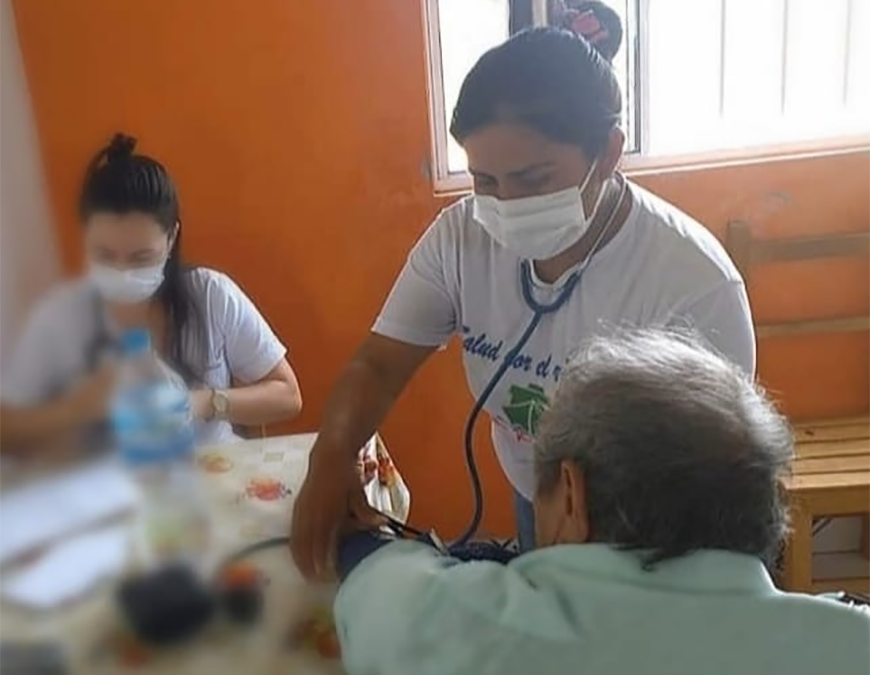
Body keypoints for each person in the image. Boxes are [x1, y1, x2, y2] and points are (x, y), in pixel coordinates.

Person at [292, 3, 755, 576]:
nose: (506, 205)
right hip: (541, 500)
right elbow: (380, 364)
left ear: (608, 154)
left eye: (534, 180)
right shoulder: (461, 239)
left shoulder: (693, 284)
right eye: (484, 180)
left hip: (658, 535)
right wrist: (331, 455)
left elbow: (712, 476)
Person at [333, 330, 870, 675]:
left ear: (571, 497)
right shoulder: (853, 641)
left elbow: (380, 582)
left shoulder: (459, 627)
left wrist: (364, 536)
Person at [0, 133, 302, 453]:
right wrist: (76, 411)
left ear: (171, 239)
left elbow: (288, 396)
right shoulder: (64, 316)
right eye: (105, 255)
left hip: (216, 465)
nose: (123, 272)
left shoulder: (210, 295)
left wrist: (203, 403)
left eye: (141, 257)